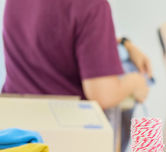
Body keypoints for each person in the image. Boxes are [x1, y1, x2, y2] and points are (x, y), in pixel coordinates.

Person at [2, 0, 151, 109]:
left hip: (13, 128)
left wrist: (125, 44)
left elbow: (55, 38)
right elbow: (102, 94)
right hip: (64, 132)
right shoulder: (92, 5)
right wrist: (136, 82)